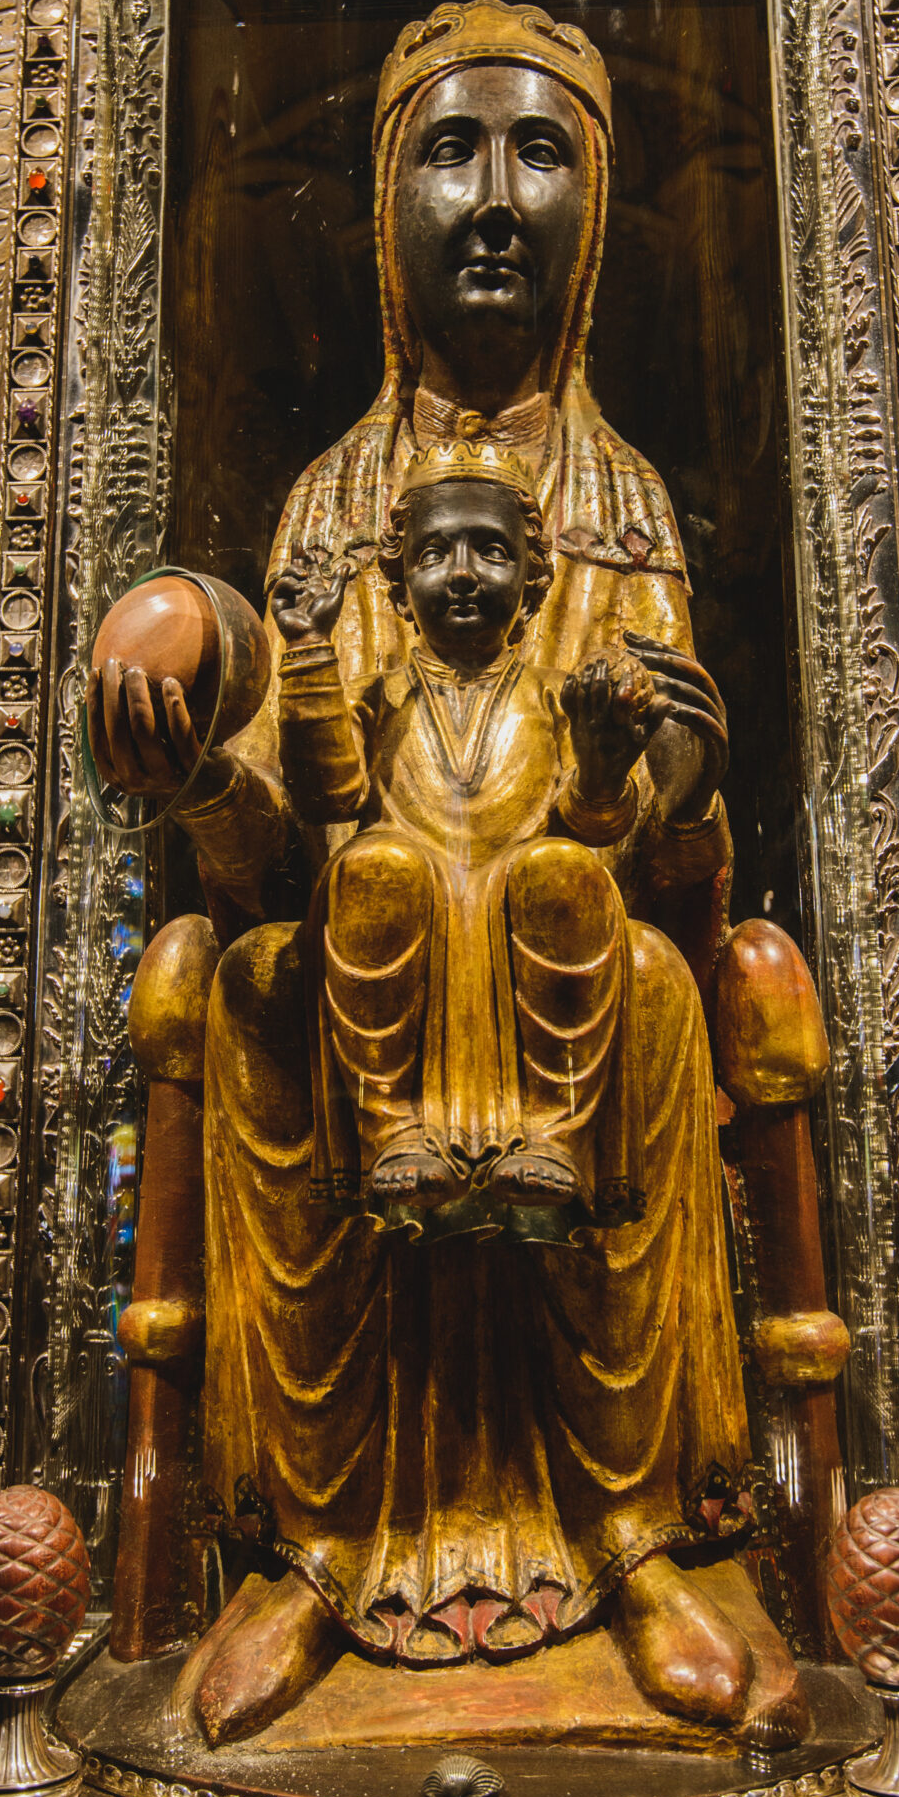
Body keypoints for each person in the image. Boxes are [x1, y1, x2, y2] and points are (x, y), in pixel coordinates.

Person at [90, 0, 804, 1752]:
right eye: (449, 151)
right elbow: (276, 845)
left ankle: (633, 1538)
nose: (493, 200)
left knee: (632, 987)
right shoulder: (331, 508)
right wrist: (196, 784)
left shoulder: (622, 504)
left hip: (570, 970)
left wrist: (643, 774)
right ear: (383, 208)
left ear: (597, 207)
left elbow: (676, 848)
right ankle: (316, 1545)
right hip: (371, 969)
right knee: (266, 978)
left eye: (539, 151)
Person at [273, 434, 673, 1246]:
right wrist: (310, 652)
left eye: (489, 551)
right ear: (394, 580)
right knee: (373, 863)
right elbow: (328, 793)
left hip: (522, 920)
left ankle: (554, 1129)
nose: (460, 573)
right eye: (433, 553)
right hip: (407, 916)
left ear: (532, 575)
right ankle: (391, 1126)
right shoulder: (378, 698)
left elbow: (598, 829)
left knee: (563, 870)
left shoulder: (561, 698)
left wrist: (600, 767)